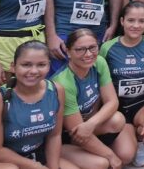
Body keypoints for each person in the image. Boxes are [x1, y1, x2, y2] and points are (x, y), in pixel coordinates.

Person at [0, 41, 82, 169]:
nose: (34, 71)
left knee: (97, 164)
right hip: (5, 162)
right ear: (13, 67)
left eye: (41, 65)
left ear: (49, 66)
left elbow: (54, 135)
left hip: (38, 155)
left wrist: (53, 167)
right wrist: (36, 167)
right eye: (26, 65)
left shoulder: (57, 90)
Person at [53, 29, 136, 168]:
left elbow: (112, 101)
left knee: (125, 150)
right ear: (68, 52)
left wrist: (90, 124)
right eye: (80, 49)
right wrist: (111, 155)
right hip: (69, 136)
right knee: (101, 164)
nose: (88, 54)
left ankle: (123, 133)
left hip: (90, 124)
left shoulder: (99, 62)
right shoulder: (63, 82)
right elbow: (77, 132)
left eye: (93, 47)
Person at [100, 2, 144, 167]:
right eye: (131, 20)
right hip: (117, 108)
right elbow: (99, 84)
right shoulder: (107, 48)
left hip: (142, 105)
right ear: (122, 21)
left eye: (141, 21)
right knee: (126, 156)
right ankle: (123, 139)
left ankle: (140, 141)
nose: (136, 25)